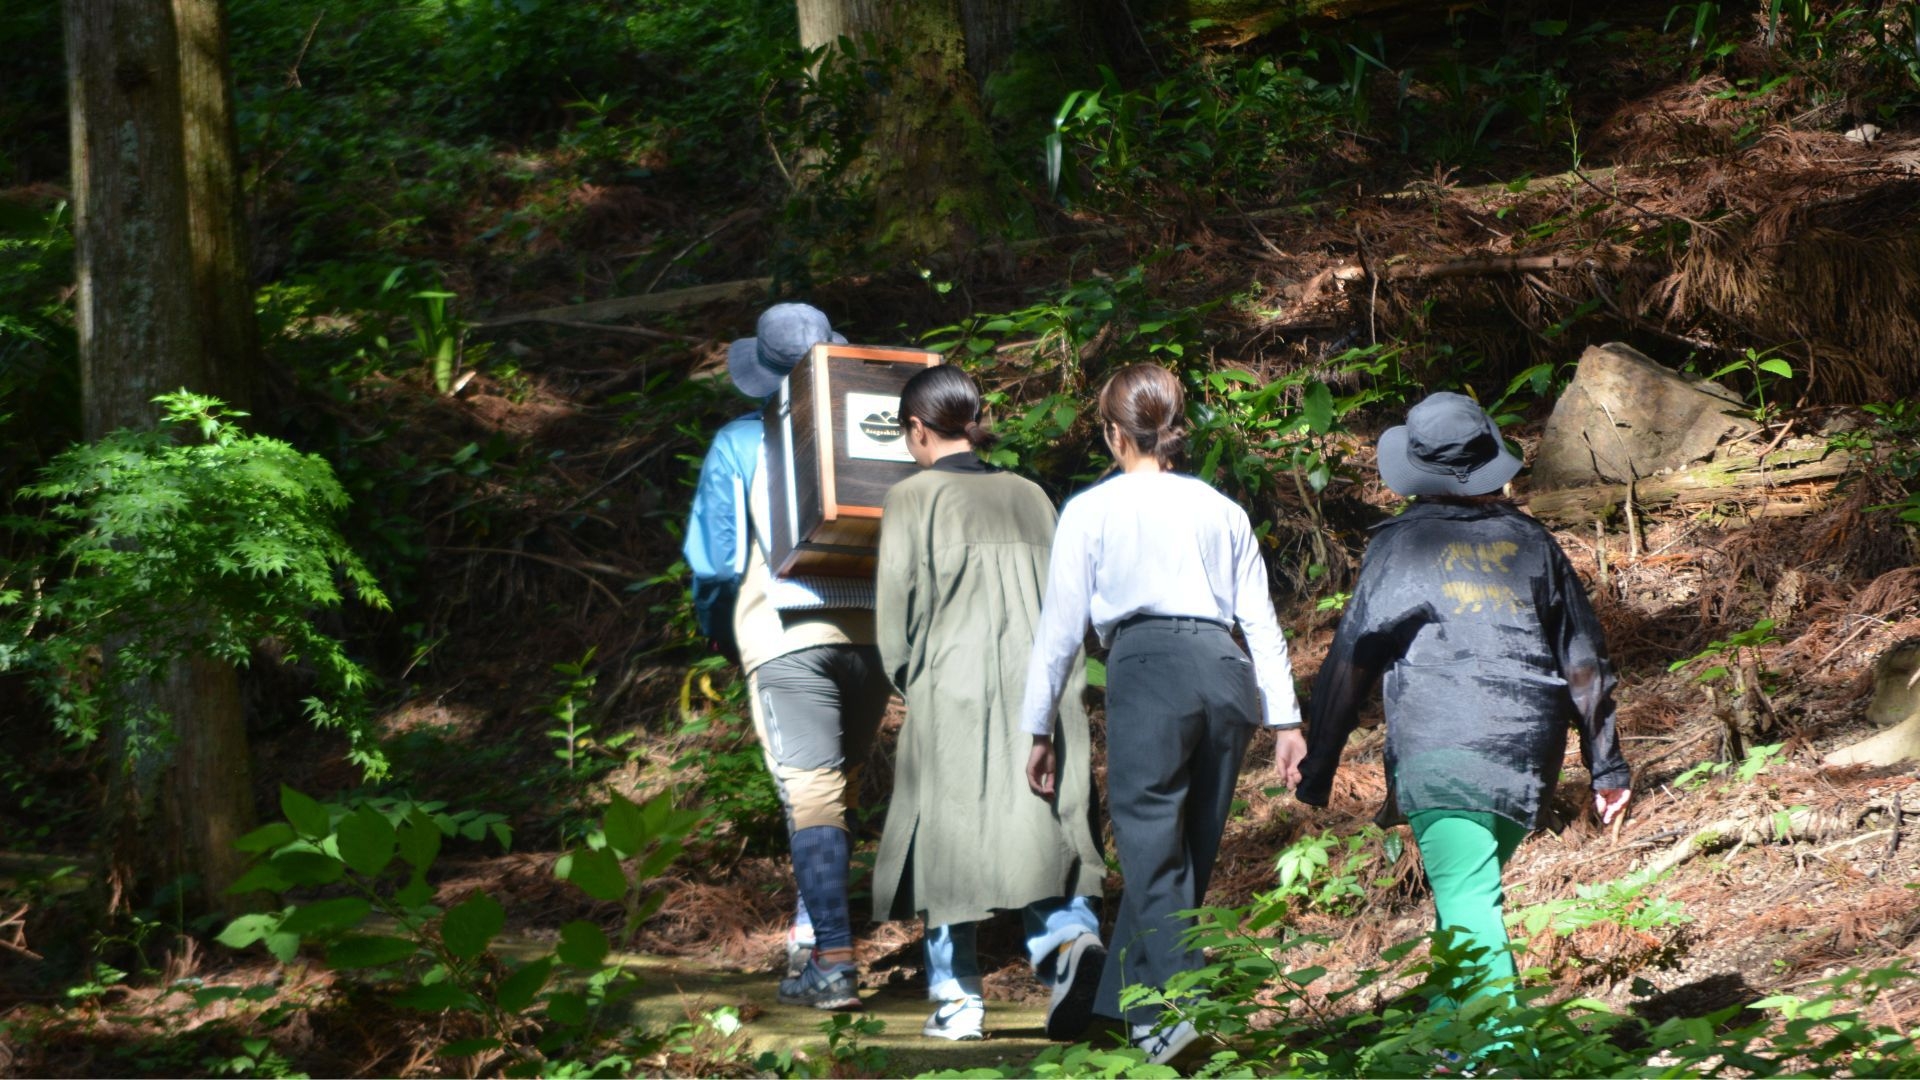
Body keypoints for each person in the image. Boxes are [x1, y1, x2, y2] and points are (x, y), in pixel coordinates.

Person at [1294, 390, 1633, 1021]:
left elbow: (1351, 661)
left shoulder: (1397, 547)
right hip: (1526, 755)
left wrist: (1317, 767)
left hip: (1442, 748)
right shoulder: (1534, 544)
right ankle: (1449, 1045)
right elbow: (1583, 660)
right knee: (1466, 893)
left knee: (1468, 898)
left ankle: (1503, 1057)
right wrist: (1605, 765)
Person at [1019, 363, 1306, 1066]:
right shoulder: (1220, 508)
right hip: (1226, 673)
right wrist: (1286, 720)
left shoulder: (1090, 510)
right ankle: (1122, 1003)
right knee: (1186, 853)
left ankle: (1171, 1009)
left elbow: (1060, 631)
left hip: (1147, 671)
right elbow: (1260, 619)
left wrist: (1038, 727)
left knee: (1152, 853)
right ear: (1175, 428)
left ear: (1115, 434)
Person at [872, 365, 1109, 1043]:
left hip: (954, 689)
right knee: (1044, 830)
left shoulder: (913, 499)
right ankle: (1068, 949)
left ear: (917, 430)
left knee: (948, 843)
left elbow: (895, 624)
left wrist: (915, 677)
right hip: (1047, 687)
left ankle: (958, 1004)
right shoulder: (1032, 494)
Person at [682, 302, 891, 1010]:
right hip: (871, 631)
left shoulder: (739, 443)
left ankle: (832, 962)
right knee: (843, 789)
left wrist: (717, 629)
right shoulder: (865, 435)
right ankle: (812, 935)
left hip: (785, 631)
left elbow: (715, 564)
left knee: (810, 793)